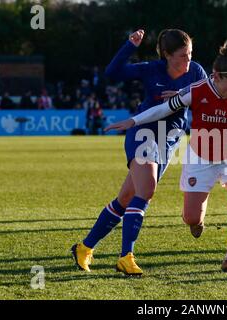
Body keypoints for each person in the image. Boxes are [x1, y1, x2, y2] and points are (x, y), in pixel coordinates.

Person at [105, 38, 227, 274]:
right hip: (200, 160)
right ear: (216, 76)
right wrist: (133, 121)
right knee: (191, 219)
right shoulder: (197, 91)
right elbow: (164, 109)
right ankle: (197, 220)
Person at [71, 29, 207, 275]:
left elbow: (207, 98)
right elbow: (112, 73)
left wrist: (183, 96)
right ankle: (126, 256)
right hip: (143, 133)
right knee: (146, 190)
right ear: (166, 55)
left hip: (169, 141)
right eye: (182, 56)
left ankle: (84, 247)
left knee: (125, 199)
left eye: (190, 54)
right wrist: (129, 47)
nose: (188, 60)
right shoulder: (151, 69)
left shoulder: (196, 71)